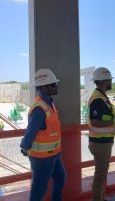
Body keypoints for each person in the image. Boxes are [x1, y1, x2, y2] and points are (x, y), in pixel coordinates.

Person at [20, 69, 66, 201]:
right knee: (38, 191)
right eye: (53, 85)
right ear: (44, 87)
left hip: (54, 154)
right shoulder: (40, 108)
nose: (56, 86)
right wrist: (24, 146)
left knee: (60, 177)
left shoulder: (49, 102)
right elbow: (31, 131)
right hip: (42, 158)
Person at [88, 67, 115, 201]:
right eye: (109, 80)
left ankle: (100, 198)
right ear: (103, 81)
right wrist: (114, 121)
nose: (110, 82)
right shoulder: (97, 99)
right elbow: (95, 122)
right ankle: (97, 198)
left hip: (102, 142)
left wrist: (113, 120)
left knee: (101, 173)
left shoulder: (101, 97)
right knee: (100, 175)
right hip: (100, 143)